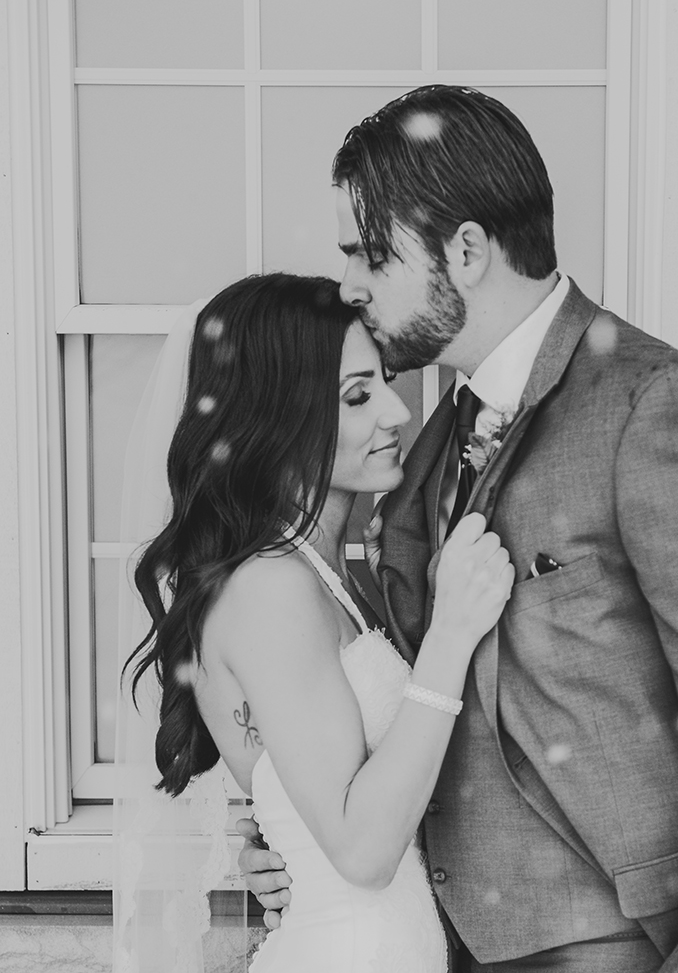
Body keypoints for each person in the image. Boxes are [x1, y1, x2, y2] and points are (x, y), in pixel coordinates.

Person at [241, 86, 678, 972]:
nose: (348, 284)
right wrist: (298, 849)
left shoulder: (653, 408)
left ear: (463, 251)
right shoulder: (428, 443)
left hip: (612, 943)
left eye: (369, 254)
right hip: (436, 938)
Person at [125, 272, 515, 973]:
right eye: (357, 396)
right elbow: (362, 853)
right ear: (276, 417)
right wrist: (452, 636)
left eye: (384, 382)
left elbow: (307, 800)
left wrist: (271, 850)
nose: (396, 412)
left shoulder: (331, 574)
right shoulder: (269, 587)